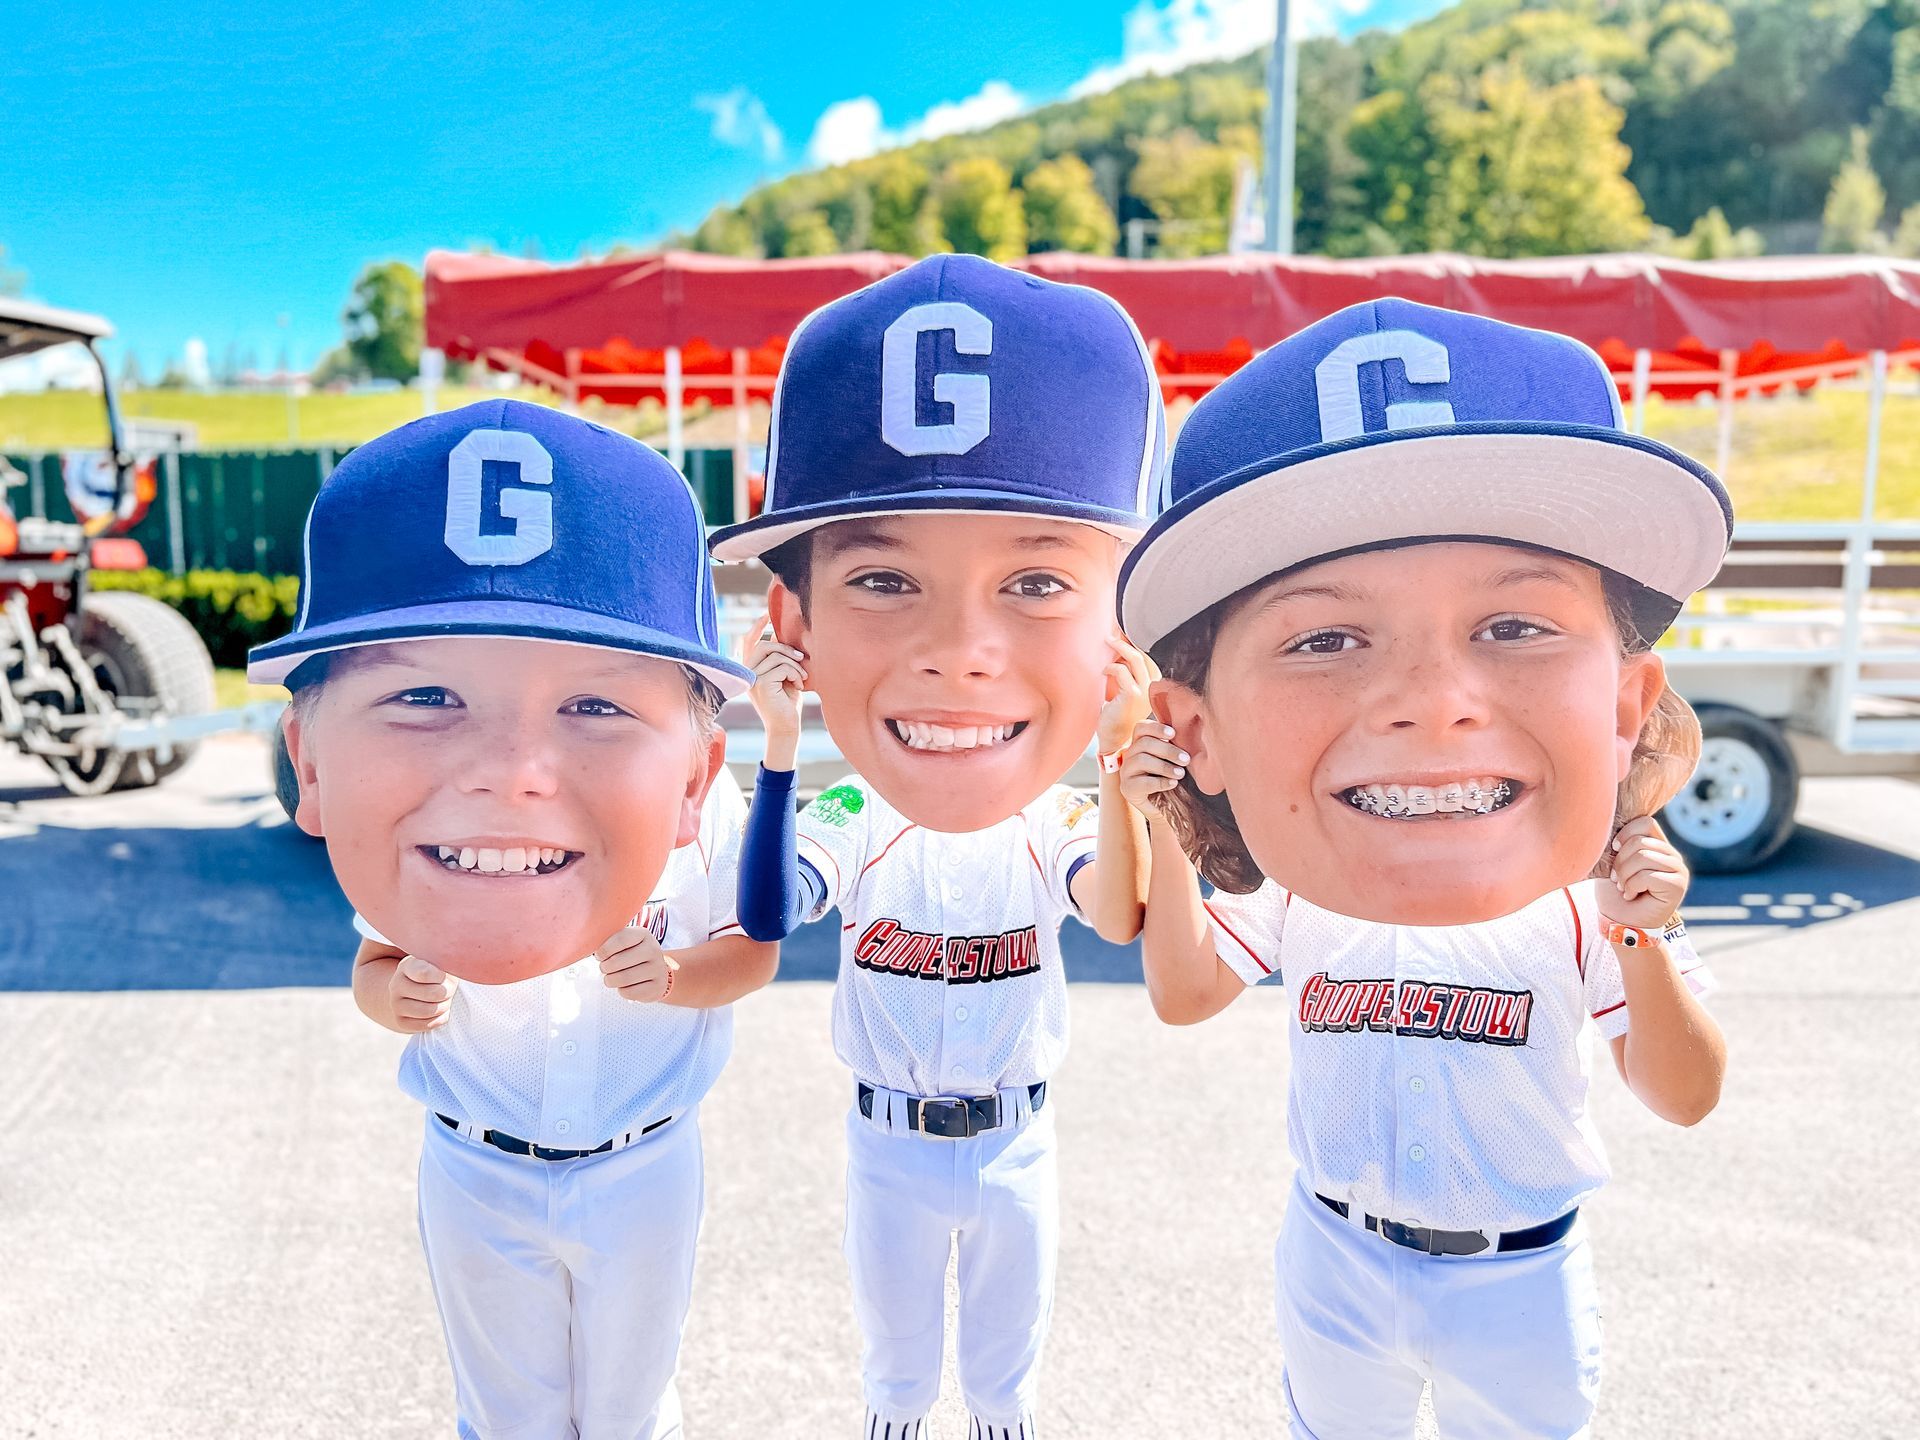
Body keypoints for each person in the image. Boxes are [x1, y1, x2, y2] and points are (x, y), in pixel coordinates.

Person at [1110, 299, 1730, 1438]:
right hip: (1338, 1251)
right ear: (1200, 730)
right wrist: (1160, 820)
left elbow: (1683, 1094)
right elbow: (1185, 993)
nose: (1434, 704)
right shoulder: (1304, 884)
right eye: (1326, 639)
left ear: (1626, 703)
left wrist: (1644, 934)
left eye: (1514, 626)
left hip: (1520, 1278)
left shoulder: (1589, 897)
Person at [249, 400, 773, 1439]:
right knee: (505, 1415)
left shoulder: (718, 828)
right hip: (478, 1163)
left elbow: (752, 959)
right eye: (429, 696)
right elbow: (375, 962)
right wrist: (390, 997)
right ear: (310, 761)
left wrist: (672, 976)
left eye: (596, 705)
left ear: (697, 774)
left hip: (643, 1159)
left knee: (631, 1408)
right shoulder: (415, 861)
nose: (507, 776)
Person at [708, 253, 1163, 1439]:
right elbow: (761, 917)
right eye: (882, 577)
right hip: (888, 1141)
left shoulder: (1051, 815)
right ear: (794, 620)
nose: (960, 651)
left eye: (1036, 579)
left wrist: (1119, 759)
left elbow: (1120, 916)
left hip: (1016, 1135)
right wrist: (776, 745)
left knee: (1006, 1397)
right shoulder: (853, 818)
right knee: (900, 1393)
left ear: (1122, 623)